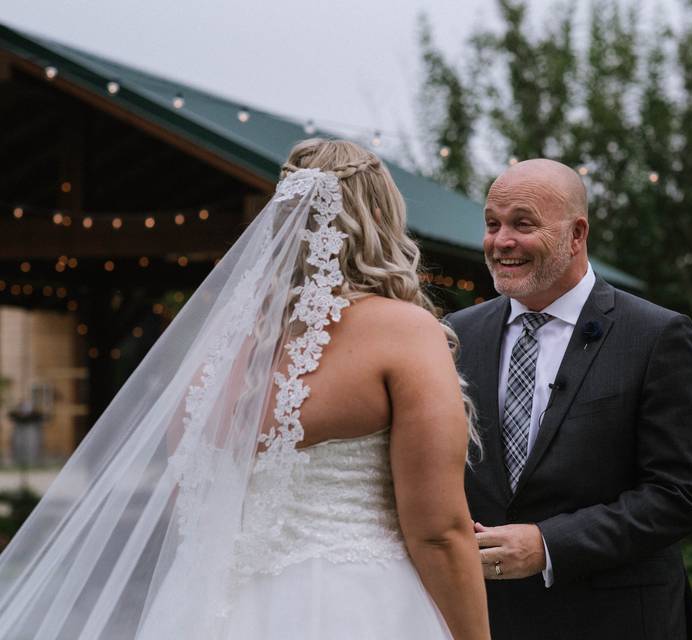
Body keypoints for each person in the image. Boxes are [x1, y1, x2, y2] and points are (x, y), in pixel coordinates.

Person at [0, 140, 490, 640]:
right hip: (352, 604)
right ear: (380, 218)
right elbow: (437, 532)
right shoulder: (404, 331)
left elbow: (183, 498)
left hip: (211, 611)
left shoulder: (220, 350)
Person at [445, 159, 692, 639]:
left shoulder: (656, 335)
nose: (501, 241)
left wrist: (549, 545)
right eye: (492, 224)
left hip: (615, 621)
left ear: (576, 234)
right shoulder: (456, 336)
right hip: (485, 620)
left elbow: (682, 494)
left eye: (522, 224)